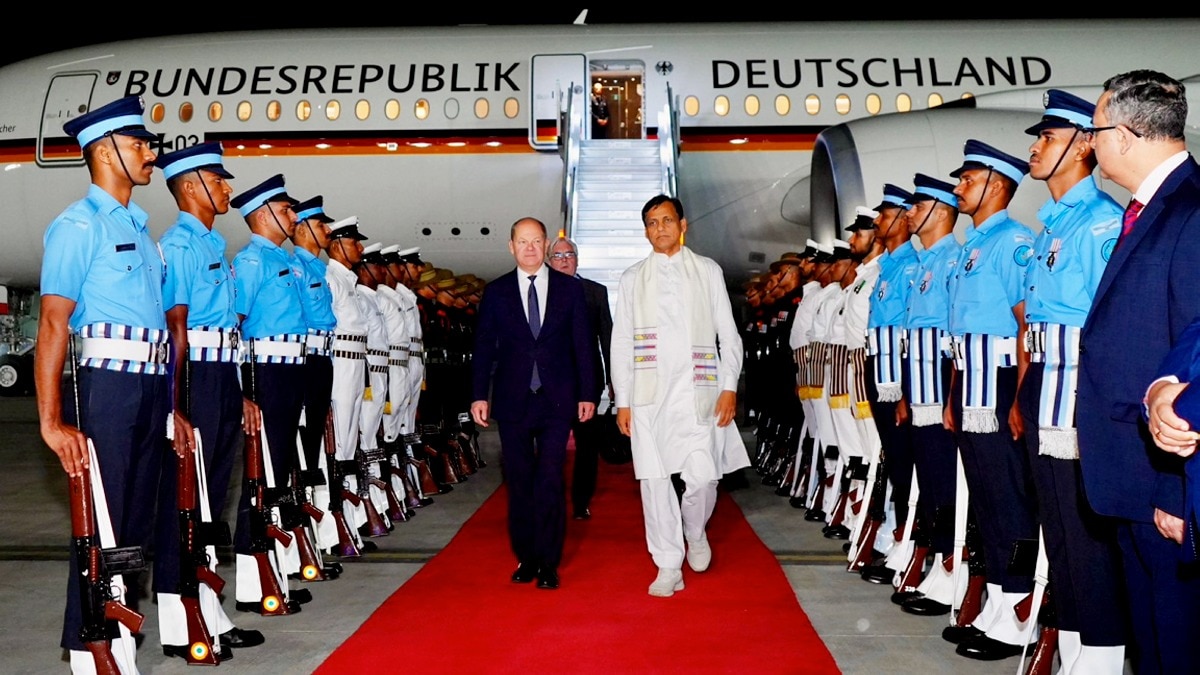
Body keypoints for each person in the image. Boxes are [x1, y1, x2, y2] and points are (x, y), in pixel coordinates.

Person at [37, 95, 167, 673]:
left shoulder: (143, 231)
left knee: (135, 523)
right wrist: (50, 419)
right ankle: (88, 645)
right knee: (99, 523)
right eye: (139, 144)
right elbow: (52, 323)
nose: (150, 152)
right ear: (105, 150)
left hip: (152, 385)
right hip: (109, 386)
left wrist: (172, 407)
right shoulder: (76, 225)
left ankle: (117, 639)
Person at [1079, 70, 1200, 674]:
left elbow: (1195, 354)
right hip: (1130, 477)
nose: (1089, 144)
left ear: (1125, 136)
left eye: (1095, 132)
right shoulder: (1150, 209)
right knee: (1149, 644)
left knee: (1174, 643)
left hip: (1164, 484)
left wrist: (1179, 490)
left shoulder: (1191, 211)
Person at [1016, 89, 1125, 673]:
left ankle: (1104, 655)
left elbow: (1113, 328)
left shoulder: (1101, 223)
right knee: (1056, 526)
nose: (1036, 148)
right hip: (1045, 391)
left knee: (1086, 535)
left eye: (1049, 138)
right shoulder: (1051, 226)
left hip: (1081, 396)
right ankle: (1078, 646)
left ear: (1084, 146)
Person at [152, 142, 265, 660]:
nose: (227, 188)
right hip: (193, 375)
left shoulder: (213, 246)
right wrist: (174, 404)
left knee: (211, 498)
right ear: (192, 185)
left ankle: (206, 608)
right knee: (185, 502)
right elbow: (175, 328)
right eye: (219, 180)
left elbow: (227, 331)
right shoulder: (178, 246)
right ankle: (179, 621)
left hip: (220, 374)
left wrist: (238, 391)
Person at [611, 195, 748, 598]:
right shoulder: (633, 277)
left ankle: (695, 529)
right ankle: (668, 563)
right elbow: (620, 344)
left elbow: (729, 335)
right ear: (645, 231)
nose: (660, 229)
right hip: (648, 400)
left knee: (703, 478)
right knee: (654, 483)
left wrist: (728, 387)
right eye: (652, 223)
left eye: (666, 220)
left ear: (683, 224)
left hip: (699, 396)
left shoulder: (706, 271)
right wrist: (622, 400)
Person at [945, 140, 1038, 661]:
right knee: (985, 501)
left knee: (1010, 499)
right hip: (972, 386)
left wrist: (1021, 398)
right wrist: (955, 395)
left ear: (997, 184)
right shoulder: (969, 247)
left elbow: (1025, 325)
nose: (959, 187)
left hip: (1002, 386)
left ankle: (1020, 608)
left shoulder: (1013, 243)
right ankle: (999, 603)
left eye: (968, 178)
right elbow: (961, 334)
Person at [470, 217, 597, 591]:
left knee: (550, 479)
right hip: (513, 400)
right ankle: (525, 556)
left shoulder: (569, 291)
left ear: (546, 246)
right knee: (520, 480)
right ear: (511, 247)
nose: (529, 248)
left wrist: (588, 394)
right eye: (522, 242)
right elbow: (483, 348)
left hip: (558, 400)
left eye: (536, 241)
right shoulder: (496, 293)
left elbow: (583, 346)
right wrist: (479, 394)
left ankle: (548, 561)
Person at [228, 174, 311, 614]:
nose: (293, 217)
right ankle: (250, 584)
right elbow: (235, 325)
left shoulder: (284, 259)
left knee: (279, 475)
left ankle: (273, 574)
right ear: (261, 215)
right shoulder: (252, 262)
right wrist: (242, 389)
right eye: (284, 210)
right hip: (265, 372)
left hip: (291, 370)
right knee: (260, 480)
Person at [548, 236, 613, 520]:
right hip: (551, 384)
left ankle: (580, 501)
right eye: (558, 255)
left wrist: (615, 380)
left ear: (577, 258)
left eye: (569, 254)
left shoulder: (595, 292)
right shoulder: (539, 292)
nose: (564, 260)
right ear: (549, 261)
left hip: (588, 383)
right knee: (552, 444)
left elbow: (607, 338)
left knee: (587, 445)